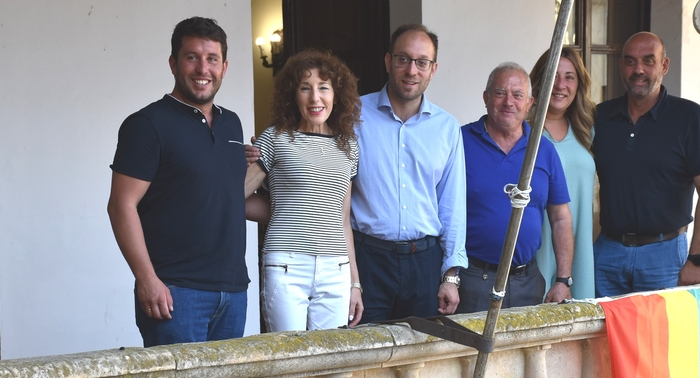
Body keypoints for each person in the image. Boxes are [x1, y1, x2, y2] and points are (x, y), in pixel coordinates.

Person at [108, 17, 249, 347]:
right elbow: (120, 206)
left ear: (224, 67)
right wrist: (146, 279)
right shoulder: (147, 125)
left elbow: (227, 196)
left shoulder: (233, 124)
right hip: (175, 294)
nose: (203, 68)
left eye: (212, 59)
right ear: (173, 63)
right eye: (192, 57)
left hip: (233, 292)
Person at [351, 24, 467, 321]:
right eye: (403, 59)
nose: (411, 70)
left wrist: (450, 276)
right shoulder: (352, 116)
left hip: (425, 265)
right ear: (388, 61)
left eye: (421, 62)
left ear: (433, 69)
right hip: (368, 260)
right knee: (366, 356)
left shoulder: (447, 127)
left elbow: (452, 206)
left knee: (422, 359)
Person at [592, 32, 700, 297]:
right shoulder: (600, 117)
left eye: (648, 61)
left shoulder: (690, 118)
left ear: (664, 66)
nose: (638, 69)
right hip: (607, 254)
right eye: (630, 61)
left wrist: (696, 258)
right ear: (620, 66)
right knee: (604, 337)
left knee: (660, 338)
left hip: (663, 256)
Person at [244, 50, 363, 331]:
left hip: (336, 269)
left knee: (329, 362)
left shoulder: (348, 147)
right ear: (292, 95)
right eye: (305, 88)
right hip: (286, 265)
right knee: (289, 359)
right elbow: (233, 197)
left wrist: (354, 283)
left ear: (336, 94)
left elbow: (343, 220)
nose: (315, 98)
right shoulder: (275, 138)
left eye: (324, 87)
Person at [457, 62, 574, 314]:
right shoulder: (460, 142)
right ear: (486, 98)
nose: (508, 102)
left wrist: (563, 280)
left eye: (517, 95)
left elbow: (561, 218)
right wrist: (448, 277)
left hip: (528, 282)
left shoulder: (543, 150)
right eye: (500, 93)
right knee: (472, 353)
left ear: (530, 102)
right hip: (473, 280)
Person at [529, 47, 597, 299]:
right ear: (539, 80)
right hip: (539, 243)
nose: (560, 84)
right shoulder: (524, 129)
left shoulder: (587, 130)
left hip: (579, 246)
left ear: (579, 84)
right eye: (553, 75)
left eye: (569, 77)